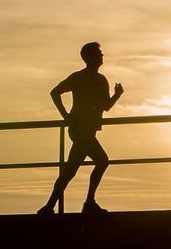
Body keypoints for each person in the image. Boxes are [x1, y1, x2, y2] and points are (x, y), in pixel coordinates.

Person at [38, 41, 123, 215]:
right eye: (99, 53)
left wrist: (117, 94)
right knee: (101, 161)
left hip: (87, 130)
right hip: (80, 131)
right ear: (89, 57)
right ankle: (88, 203)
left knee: (71, 170)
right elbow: (55, 92)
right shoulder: (78, 77)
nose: (102, 56)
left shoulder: (101, 80)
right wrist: (67, 117)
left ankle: (50, 207)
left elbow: (105, 106)